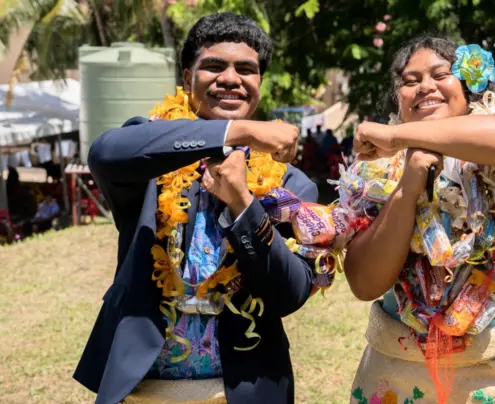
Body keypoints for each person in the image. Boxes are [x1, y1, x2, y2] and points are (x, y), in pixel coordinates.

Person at [73, 13, 318, 404]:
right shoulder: (152, 150)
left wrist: (242, 202)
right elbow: (105, 152)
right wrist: (238, 132)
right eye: (214, 66)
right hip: (145, 385)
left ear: (259, 84)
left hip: (245, 387)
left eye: (246, 69)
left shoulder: (291, 184)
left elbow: (291, 292)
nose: (231, 79)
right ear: (187, 78)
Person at [345, 37, 495, 402]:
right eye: (410, 80)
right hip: (398, 379)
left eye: (440, 74)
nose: (424, 86)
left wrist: (396, 136)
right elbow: (364, 284)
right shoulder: (377, 173)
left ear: (470, 87)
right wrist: (407, 186)